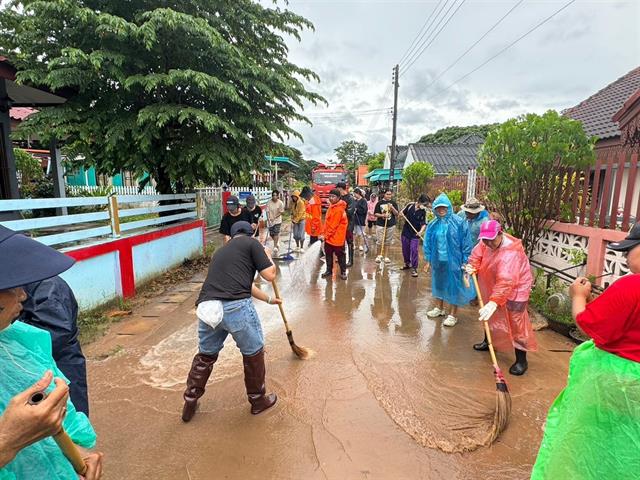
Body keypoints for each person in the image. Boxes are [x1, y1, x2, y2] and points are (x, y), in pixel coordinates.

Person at [531, 222, 640, 479]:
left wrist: (579, 296)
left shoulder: (631, 286)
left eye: (630, 249)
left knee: (594, 443)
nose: (624, 256)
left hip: (618, 386)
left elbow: (587, 323)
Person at [0, 226, 103, 479]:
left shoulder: (14, 342)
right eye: (13, 286)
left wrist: (74, 456)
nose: (22, 294)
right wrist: (6, 442)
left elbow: (58, 335)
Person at [181, 221, 282, 422]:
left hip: (209, 308)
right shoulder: (252, 244)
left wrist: (270, 300)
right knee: (253, 352)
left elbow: (246, 284)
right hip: (235, 306)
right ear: (250, 232)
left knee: (206, 356)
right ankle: (258, 400)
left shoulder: (221, 252)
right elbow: (269, 275)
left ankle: (190, 402)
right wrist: (269, 257)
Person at [464, 220, 537, 375]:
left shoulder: (510, 252)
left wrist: (494, 301)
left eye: (491, 239)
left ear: (500, 233)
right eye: (485, 239)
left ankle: (521, 360)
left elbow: (506, 281)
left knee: (516, 322)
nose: (488, 243)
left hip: (516, 288)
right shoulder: (486, 242)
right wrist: (473, 266)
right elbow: (477, 254)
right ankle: (488, 341)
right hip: (493, 283)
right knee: (489, 314)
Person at [20, 277, 89, 416]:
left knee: (68, 419)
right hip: (39, 367)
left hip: (59, 365)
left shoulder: (47, 284)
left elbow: (54, 333)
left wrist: (11, 331)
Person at [423, 193, 474, 326]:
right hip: (438, 260)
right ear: (434, 208)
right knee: (439, 284)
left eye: (444, 207)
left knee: (454, 286)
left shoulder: (458, 222)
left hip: (455, 261)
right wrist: (428, 260)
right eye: (438, 208)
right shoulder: (433, 224)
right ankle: (439, 308)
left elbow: (466, 243)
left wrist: (465, 261)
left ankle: (453, 314)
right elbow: (427, 242)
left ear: (448, 207)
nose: (441, 210)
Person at [320, 189, 348, 280]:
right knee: (328, 255)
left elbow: (333, 226)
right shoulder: (331, 207)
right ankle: (329, 270)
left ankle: (343, 271)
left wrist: (325, 236)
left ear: (338, 198)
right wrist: (323, 233)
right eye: (330, 196)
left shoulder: (339, 209)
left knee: (340, 256)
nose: (331, 198)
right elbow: (327, 223)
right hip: (329, 237)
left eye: (333, 196)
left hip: (338, 238)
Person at [400, 194, 429, 277]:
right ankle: (407, 264)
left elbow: (424, 224)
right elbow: (401, 213)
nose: (425, 206)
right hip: (406, 232)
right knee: (405, 249)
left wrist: (420, 232)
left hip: (415, 234)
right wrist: (401, 214)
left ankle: (414, 268)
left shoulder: (423, 211)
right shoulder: (410, 205)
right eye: (424, 204)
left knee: (414, 250)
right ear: (419, 201)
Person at [374, 189, 399, 264]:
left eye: (390, 194)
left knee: (388, 241)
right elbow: (375, 213)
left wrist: (392, 208)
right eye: (387, 194)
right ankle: (379, 255)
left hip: (391, 224)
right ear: (384, 194)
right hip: (380, 224)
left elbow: (397, 214)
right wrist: (383, 215)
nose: (389, 195)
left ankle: (386, 256)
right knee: (380, 241)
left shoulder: (393, 203)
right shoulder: (379, 203)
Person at [336, 182, 355, 267]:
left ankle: (350, 260)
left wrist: (339, 213)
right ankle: (341, 258)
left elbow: (350, 212)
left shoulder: (350, 198)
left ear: (341, 189)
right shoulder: (339, 198)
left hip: (348, 224)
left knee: (349, 242)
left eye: (337, 189)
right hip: (339, 224)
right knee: (340, 241)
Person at [352, 188, 369, 254]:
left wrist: (357, 209)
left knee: (360, 234)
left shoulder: (363, 201)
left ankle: (360, 245)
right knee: (354, 233)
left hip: (360, 219)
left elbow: (364, 210)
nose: (354, 195)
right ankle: (354, 244)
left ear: (358, 193)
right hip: (354, 219)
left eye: (355, 194)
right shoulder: (354, 200)